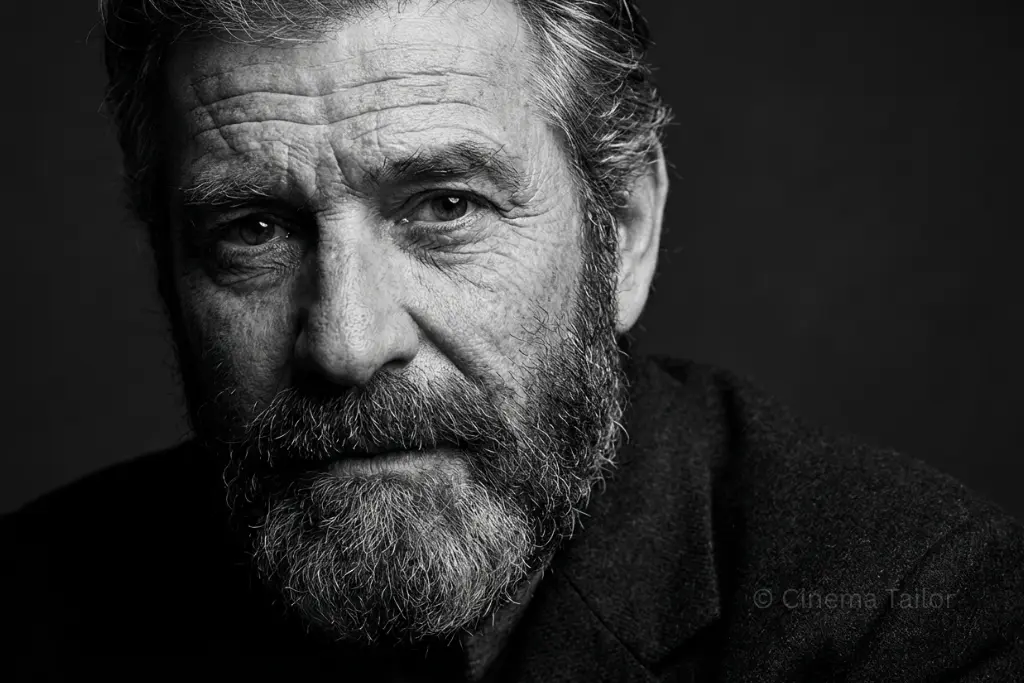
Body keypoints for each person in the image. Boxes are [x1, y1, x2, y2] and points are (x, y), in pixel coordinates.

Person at [3, 0, 1022, 679]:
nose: (348, 342)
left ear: (619, 232)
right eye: (253, 229)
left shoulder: (911, 621)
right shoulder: (38, 609)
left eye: (445, 204)